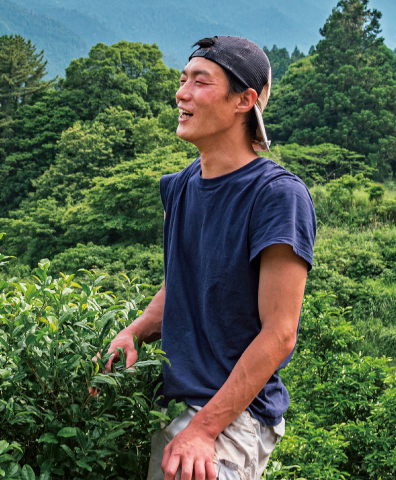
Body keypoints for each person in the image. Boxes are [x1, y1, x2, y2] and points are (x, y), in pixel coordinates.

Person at [100, 37, 316, 480]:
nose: (182, 93)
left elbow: (280, 334)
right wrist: (136, 330)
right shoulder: (179, 186)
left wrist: (204, 429)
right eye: (183, 80)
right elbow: (183, 281)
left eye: (200, 81)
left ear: (244, 100)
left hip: (230, 420)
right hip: (175, 406)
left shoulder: (277, 196)